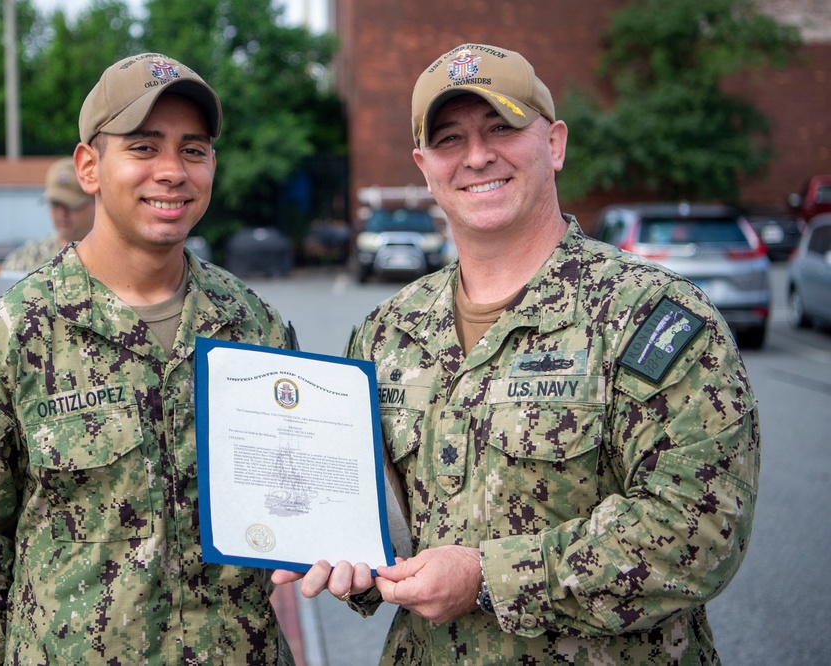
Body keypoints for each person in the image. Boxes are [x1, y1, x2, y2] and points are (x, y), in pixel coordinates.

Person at [273, 42, 760, 664]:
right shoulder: (386, 332)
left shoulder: (651, 317)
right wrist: (350, 559)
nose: (477, 156)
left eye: (501, 127)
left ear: (554, 143)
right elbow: (380, 525)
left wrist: (486, 578)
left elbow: (698, 532)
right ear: (425, 167)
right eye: (449, 139)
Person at [0, 52, 298, 665]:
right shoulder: (10, 337)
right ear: (89, 167)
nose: (172, 171)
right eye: (144, 147)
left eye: (193, 150)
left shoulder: (255, 327)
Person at [0, 156, 96, 272]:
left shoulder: (109, 259)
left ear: (95, 202)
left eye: (71, 205)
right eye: (55, 204)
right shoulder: (26, 259)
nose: (62, 213)